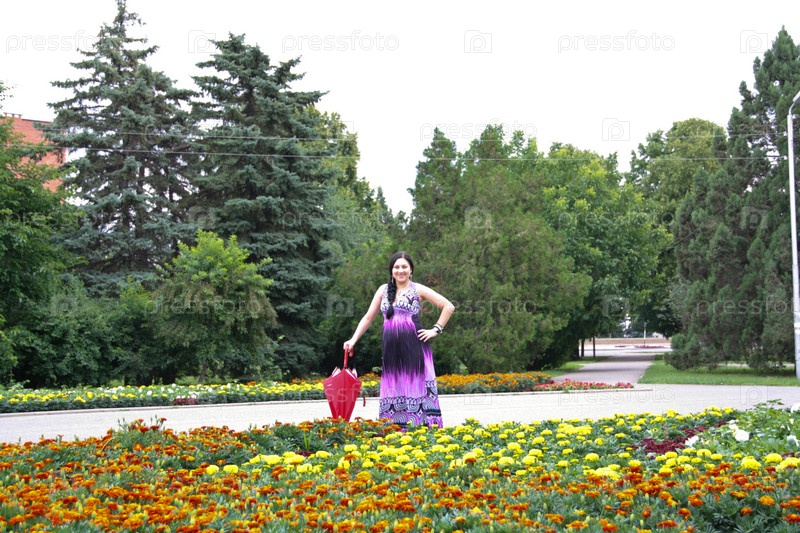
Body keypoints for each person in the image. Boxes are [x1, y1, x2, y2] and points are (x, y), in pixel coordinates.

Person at [344, 252, 454, 429]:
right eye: (396, 267)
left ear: (411, 270)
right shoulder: (383, 290)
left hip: (415, 347)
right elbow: (368, 317)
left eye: (404, 267)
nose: (400, 270)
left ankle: (420, 429)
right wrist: (353, 339)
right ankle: (394, 429)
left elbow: (448, 306)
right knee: (394, 387)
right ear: (391, 270)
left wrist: (435, 329)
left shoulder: (418, 289)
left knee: (415, 386)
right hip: (391, 349)